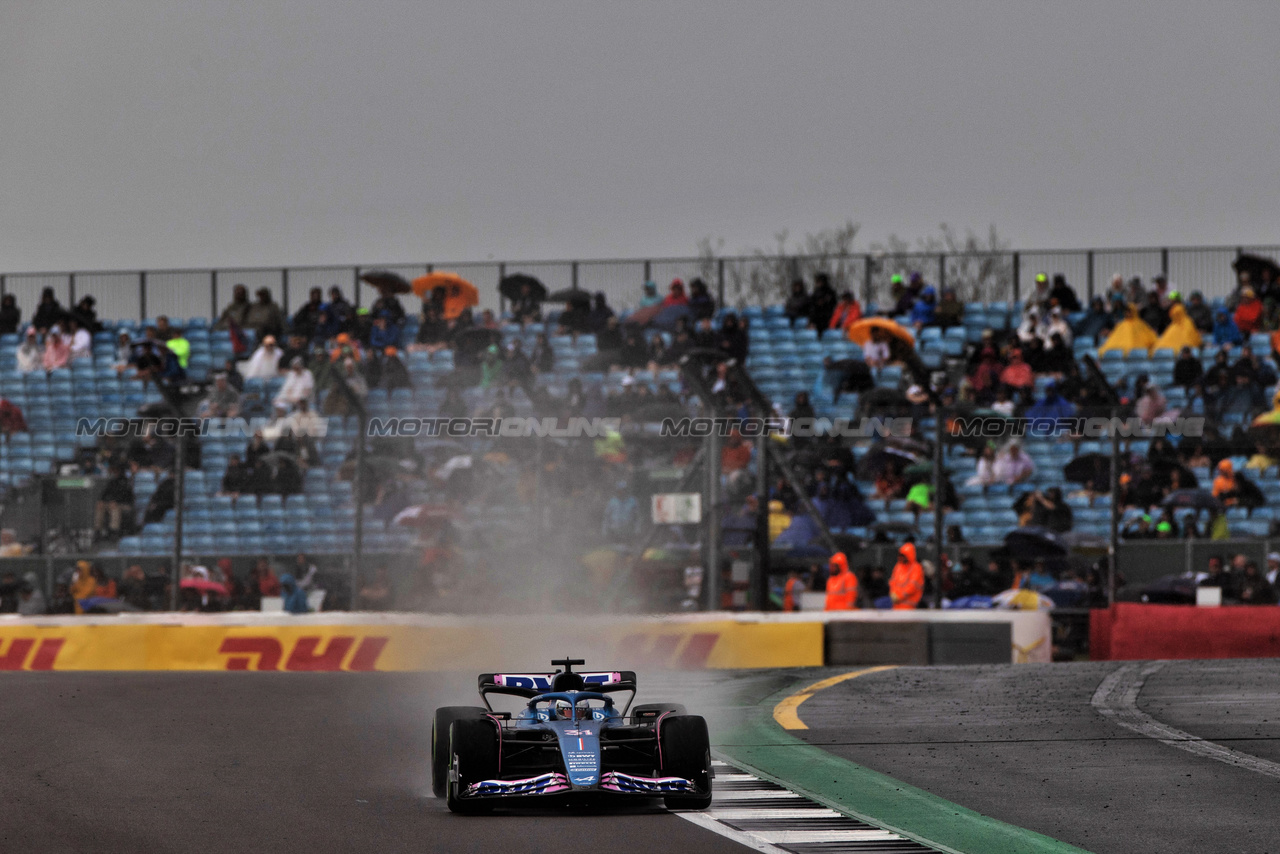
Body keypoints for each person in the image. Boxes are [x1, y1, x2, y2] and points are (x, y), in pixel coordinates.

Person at [888, 543, 924, 610]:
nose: (900, 557)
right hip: (896, 605)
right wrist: (892, 593)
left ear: (909, 555)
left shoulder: (916, 567)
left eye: (903, 555)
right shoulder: (898, 566)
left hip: (909, 606)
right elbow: (892, 581)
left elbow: (913, 585)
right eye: (899, 555)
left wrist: (900, 596)